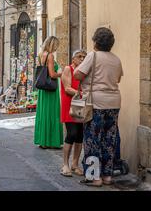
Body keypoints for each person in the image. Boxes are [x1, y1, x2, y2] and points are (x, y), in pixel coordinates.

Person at [74, 27, 123, 187]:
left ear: (95, 42)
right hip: (114, 102)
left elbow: (78, 75)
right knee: (110, 140)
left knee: (92, 139)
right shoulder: (116, 59)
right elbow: (118, 79)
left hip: (95, 103)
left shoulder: (92, 56)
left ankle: (95, 177)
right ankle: (107, 176)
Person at [59, 49, 87, 177]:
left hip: (81, 105)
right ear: (73, 59)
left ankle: (75, 164)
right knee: (71, 133)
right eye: (79, 56)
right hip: (70, 105)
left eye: (84, 57)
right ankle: (65, 164)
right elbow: (68, 88)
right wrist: (83, 94)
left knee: (80, 135)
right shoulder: (68, 69)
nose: (82, 59)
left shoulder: (83, 72)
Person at [34, 36, 63, 149]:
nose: (57, 48)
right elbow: (52, 74)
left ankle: (43, 141)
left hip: (43, 90)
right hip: (51, 89)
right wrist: (61, 72)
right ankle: (51, 141)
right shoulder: (50, 56)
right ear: (52, 45)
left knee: (44, 113)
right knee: (52, 114)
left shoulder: (42, 54)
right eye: (56, 45)